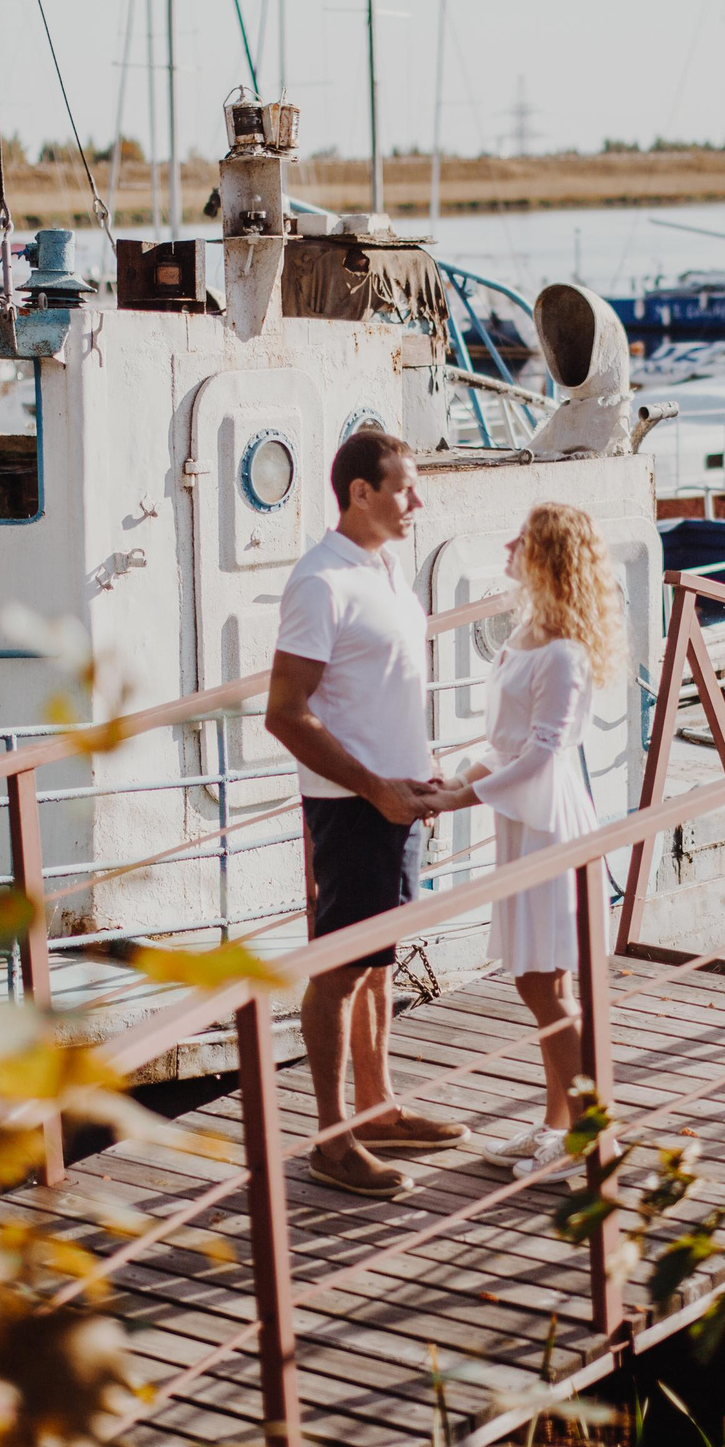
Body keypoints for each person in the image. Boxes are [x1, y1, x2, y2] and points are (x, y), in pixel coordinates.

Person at [265, 429, 467, 1199]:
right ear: (359, 492)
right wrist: (377, 786)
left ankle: (377, 1109)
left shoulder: (383, 565)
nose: (418, 501)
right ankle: (331, 1137)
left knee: (378, 961)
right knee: (342, 970)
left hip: (399, 797)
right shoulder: (321, 583)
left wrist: (418, 767)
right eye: (405, 488)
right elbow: (285, 713)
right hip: (353, 809)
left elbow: (381, 684)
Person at [422, 503, 626, 1180]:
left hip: (548, 822)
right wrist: (456, 777)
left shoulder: (565, 652)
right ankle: (557, 1124)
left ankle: (593, 1141)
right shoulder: (528, 633)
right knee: (539, 980)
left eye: (522, 539)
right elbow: (507, 743)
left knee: (546, 982)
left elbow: (544, 752)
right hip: (520, 817)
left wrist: (462, 794)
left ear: (547, 557)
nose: (508, 544)